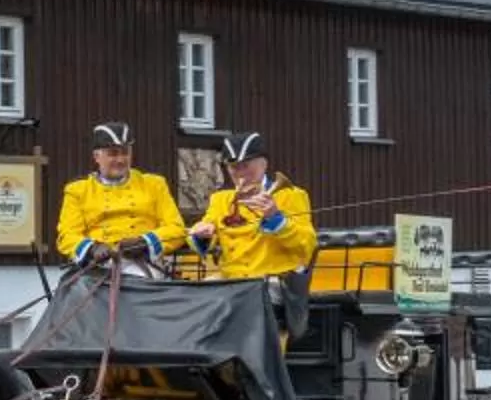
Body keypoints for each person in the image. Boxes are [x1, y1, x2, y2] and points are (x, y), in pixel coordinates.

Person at [186, 130, 318, 337]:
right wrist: (201, 235)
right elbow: (200, 232)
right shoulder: (221, 200)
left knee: (243, 304)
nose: (240, 173)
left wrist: (276, 219)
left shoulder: (291, 195)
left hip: (271, 282)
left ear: (263, 164)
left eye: (245, 165)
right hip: (230, 280)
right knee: (190, 301)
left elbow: (306, 245)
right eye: (233, 167)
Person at [54, 122, 184, 274]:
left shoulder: (154, 184)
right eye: (113, 154)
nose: (121, 160)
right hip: (96, 267)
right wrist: (92, 248)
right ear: (97, 156)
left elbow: (177, 229)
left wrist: (145, 242)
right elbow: (66, 235)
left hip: (145, 264)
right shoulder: (77, 191)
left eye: (125, 153)